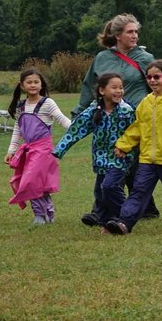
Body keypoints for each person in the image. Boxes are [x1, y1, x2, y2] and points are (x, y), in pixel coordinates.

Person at [71, 13, 160, 226]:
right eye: (130, 32)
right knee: (117, 162)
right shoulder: (102, 58)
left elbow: (158, 85)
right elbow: (89, 86)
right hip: (108, 118)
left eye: (136, 31)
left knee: (122, 161)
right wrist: (79, 112)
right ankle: (145, 207)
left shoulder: (145, 59)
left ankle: (101, 210)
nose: (135, 35)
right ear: (117, 35)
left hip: (134, 119)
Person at [105, 60, 162, 234]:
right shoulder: (145, 103)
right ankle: (124, 223)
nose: (153, 80)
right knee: (138, 192)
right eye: (149, 77)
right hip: (147, 160)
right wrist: (124, 145)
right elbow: (137, 127)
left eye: (157, 77)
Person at [53, 73, 136, 233]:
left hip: (120, 158)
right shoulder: (93, 111)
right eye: (114, 87)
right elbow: (76, 130)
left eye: (121, 87)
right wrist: (60, 149)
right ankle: (105, 221)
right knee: (100, 191)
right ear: (102, 90)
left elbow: (137, 131)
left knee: (109, 186)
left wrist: (128, 148)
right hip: (101, 159)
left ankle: (125, 216)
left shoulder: (127, 110)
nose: (119, 90)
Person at [4, 68, 71, 225]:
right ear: (22, 85)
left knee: (31, 182)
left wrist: (77, 129)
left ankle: (40, 216)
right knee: (38, 183)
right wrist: (11, 151)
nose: (33, 85)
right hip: (29, 151)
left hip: (44, 151)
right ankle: (48, 214)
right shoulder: (21, 107)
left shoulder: (48, 103)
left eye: (36, 82)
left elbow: (62, 120)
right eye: (29, 82)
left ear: (41, 85)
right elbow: (17, 130)